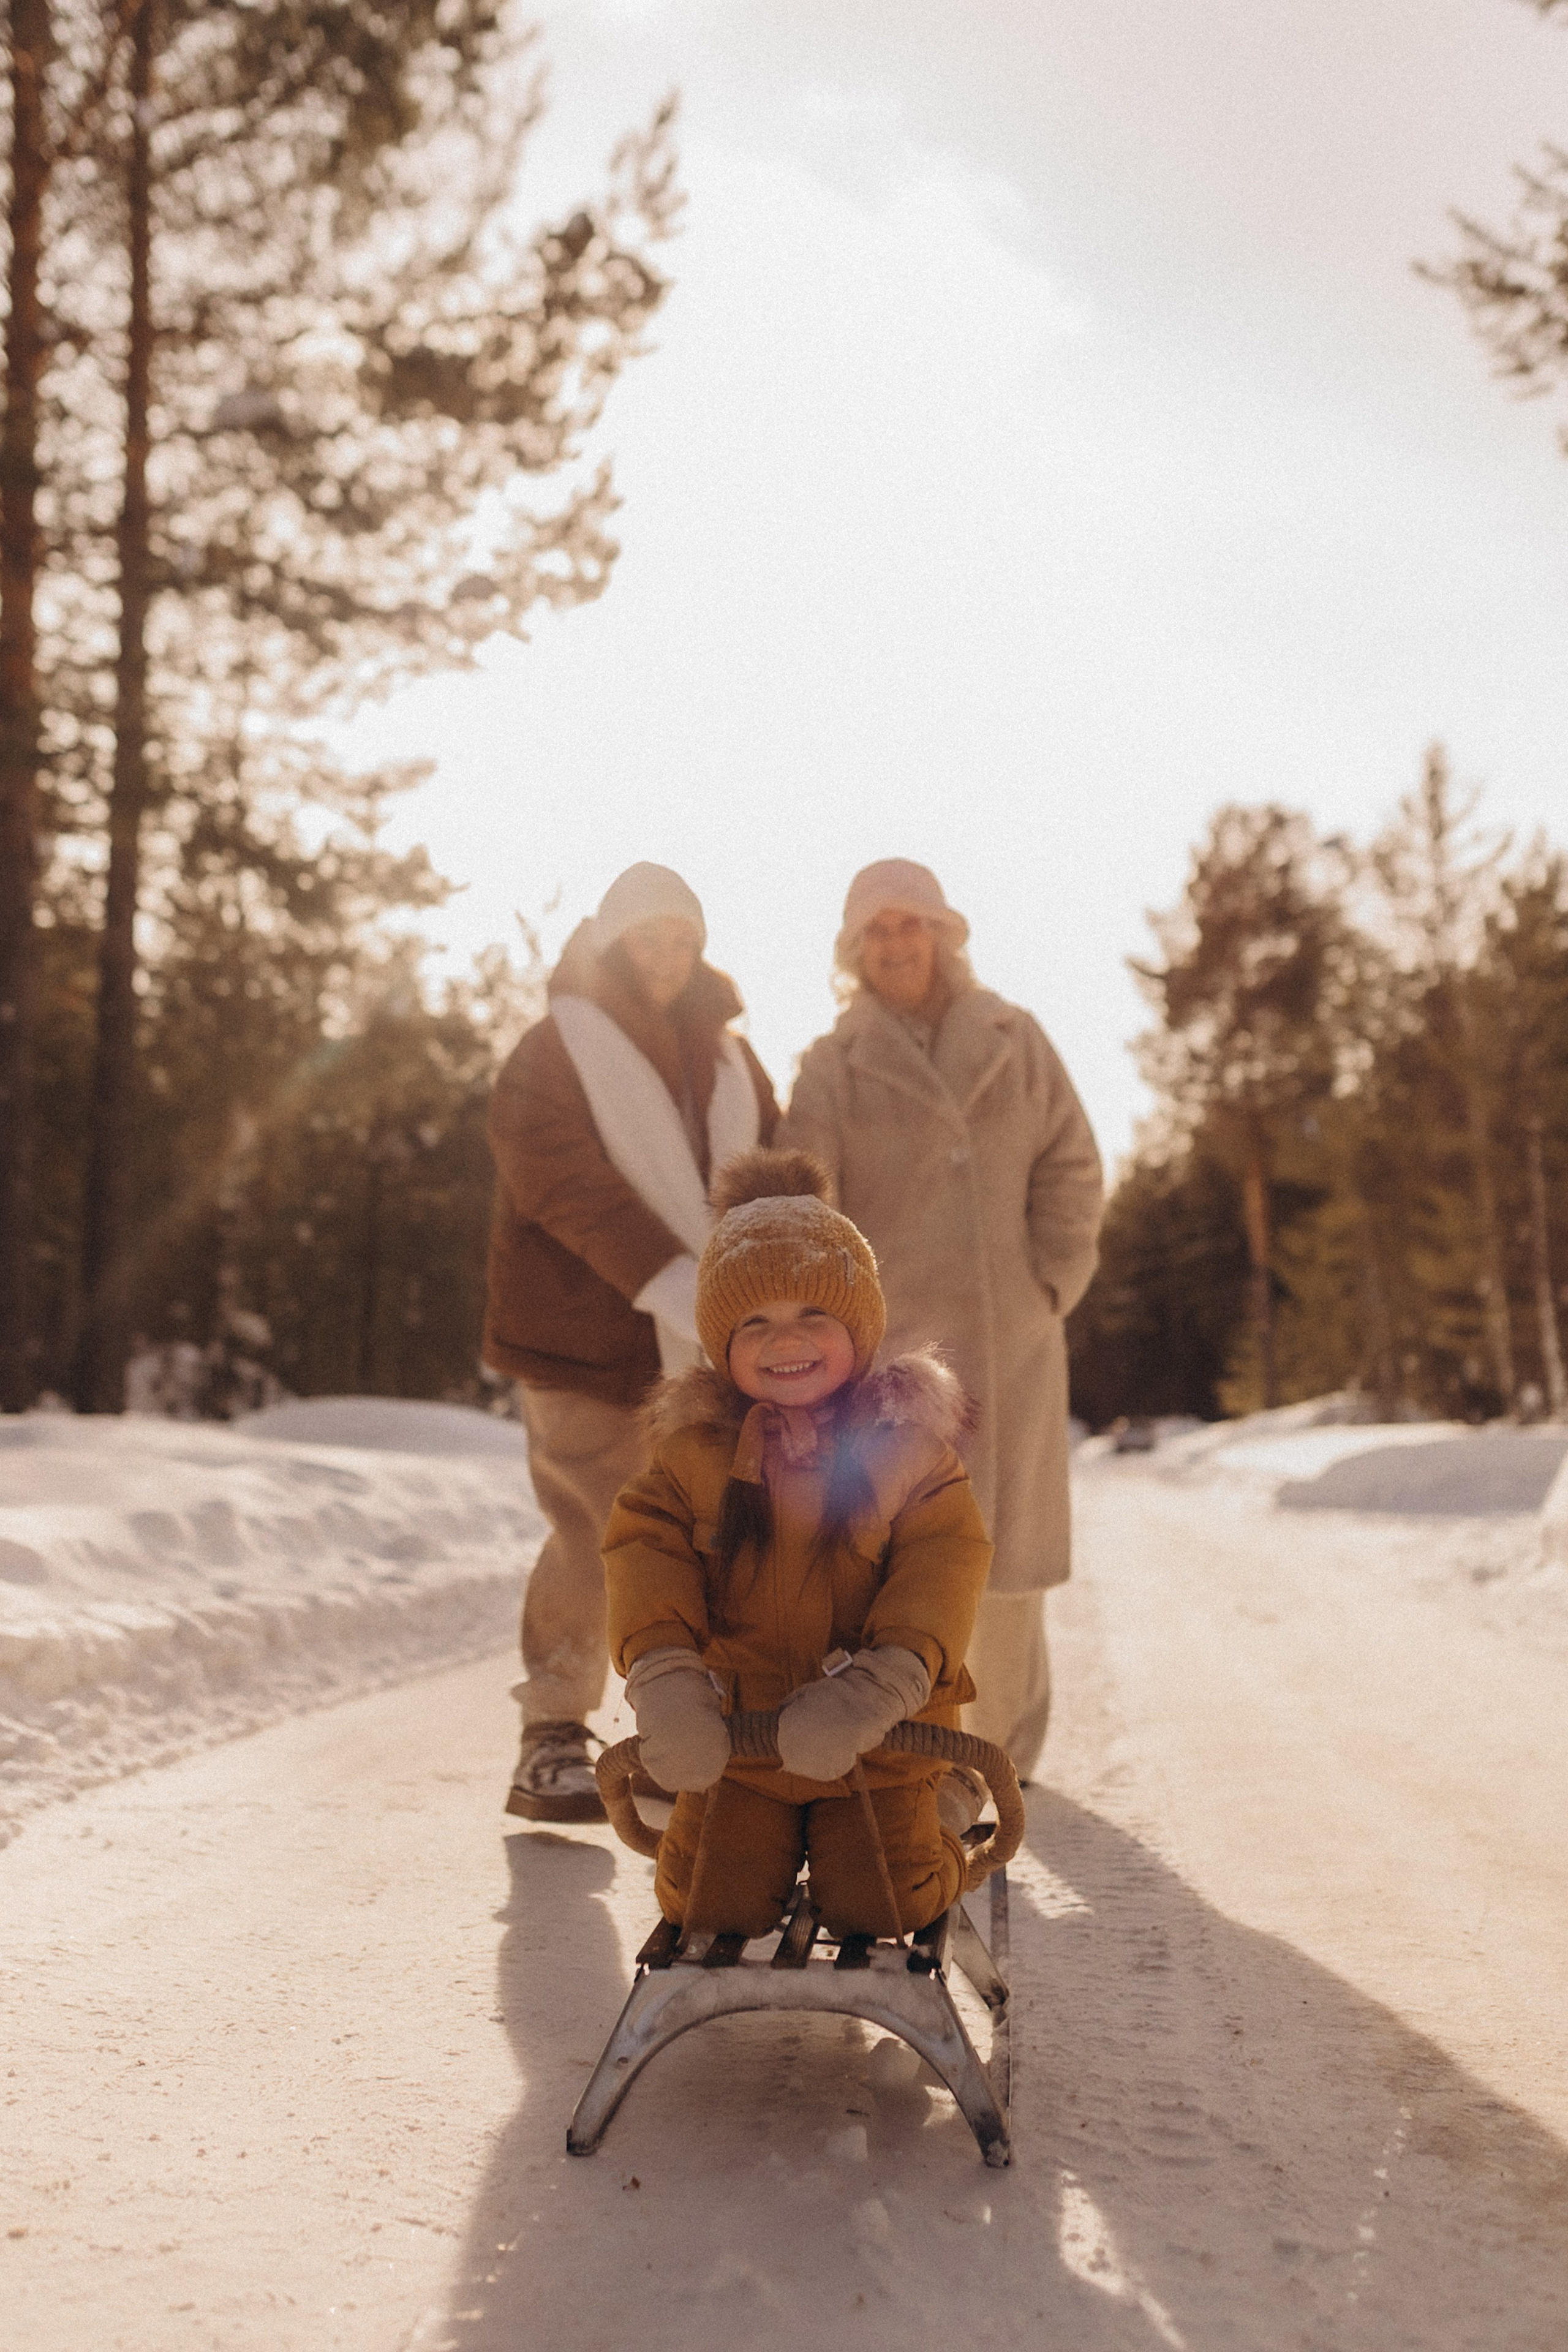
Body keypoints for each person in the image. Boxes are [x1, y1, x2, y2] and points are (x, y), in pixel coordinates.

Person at [603, 1148, 993, 1939]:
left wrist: (879, 1687)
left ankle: (947, 1802)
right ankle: (766, 1851)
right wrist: (667, 1679)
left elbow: (941, 1574)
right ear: (722, 1343)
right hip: (743, 1742)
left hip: (881, 1743)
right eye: (756, 1321)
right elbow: (646, 1558)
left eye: (813, 1313)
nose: (788, 1339)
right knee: (708, 1905)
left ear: (860, 1325)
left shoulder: (908, 1451)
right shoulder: (692, 1457)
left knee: (879, 1902)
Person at [780, 859, 1103, 1782]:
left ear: (943, 935)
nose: (895, 946)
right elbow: (811, 1194)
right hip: (901, 1361)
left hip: (1015, 1342)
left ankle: (1008, 1761)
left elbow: (1073, 1164)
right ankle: (923, 1764)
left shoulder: (1018, 1038)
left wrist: (1050, 1278)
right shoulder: (832, 1067)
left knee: (1009, 1567)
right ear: (854, 951)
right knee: (912, 1559)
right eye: (875, 933)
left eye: (910, 926)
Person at [483, 863, 778, 1820]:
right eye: (645, 939)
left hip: (709, 1346)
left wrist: (780, 1296)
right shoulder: (553, 1049)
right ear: (613, 944)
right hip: (584, 1335)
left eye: (679, 940)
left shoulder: (733, 1062)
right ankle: (555, 1734)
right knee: (596, 1525)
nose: (663, 958)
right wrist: (680, 1284)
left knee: (713, 1537)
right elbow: (559, 1179)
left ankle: (694, 1738)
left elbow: (775, 1179)